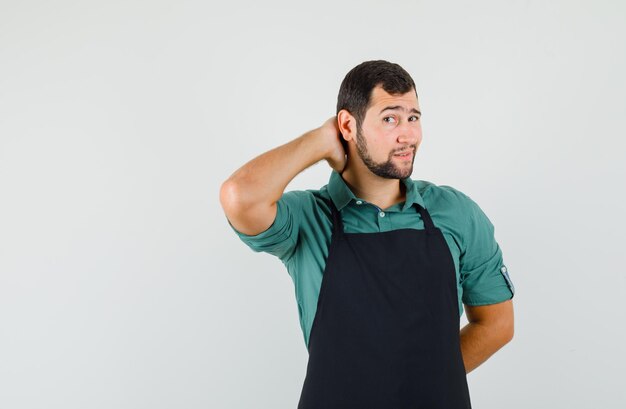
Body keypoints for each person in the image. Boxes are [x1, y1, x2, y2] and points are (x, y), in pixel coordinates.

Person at [219, 60, 515, 408]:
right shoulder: (309, 218)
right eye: (390, 118)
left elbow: (497, 324)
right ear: (347, 124)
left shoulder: (456, 213)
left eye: (413, 117)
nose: (409, 135)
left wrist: (419, 384)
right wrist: (320, 141)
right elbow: (239, 196)